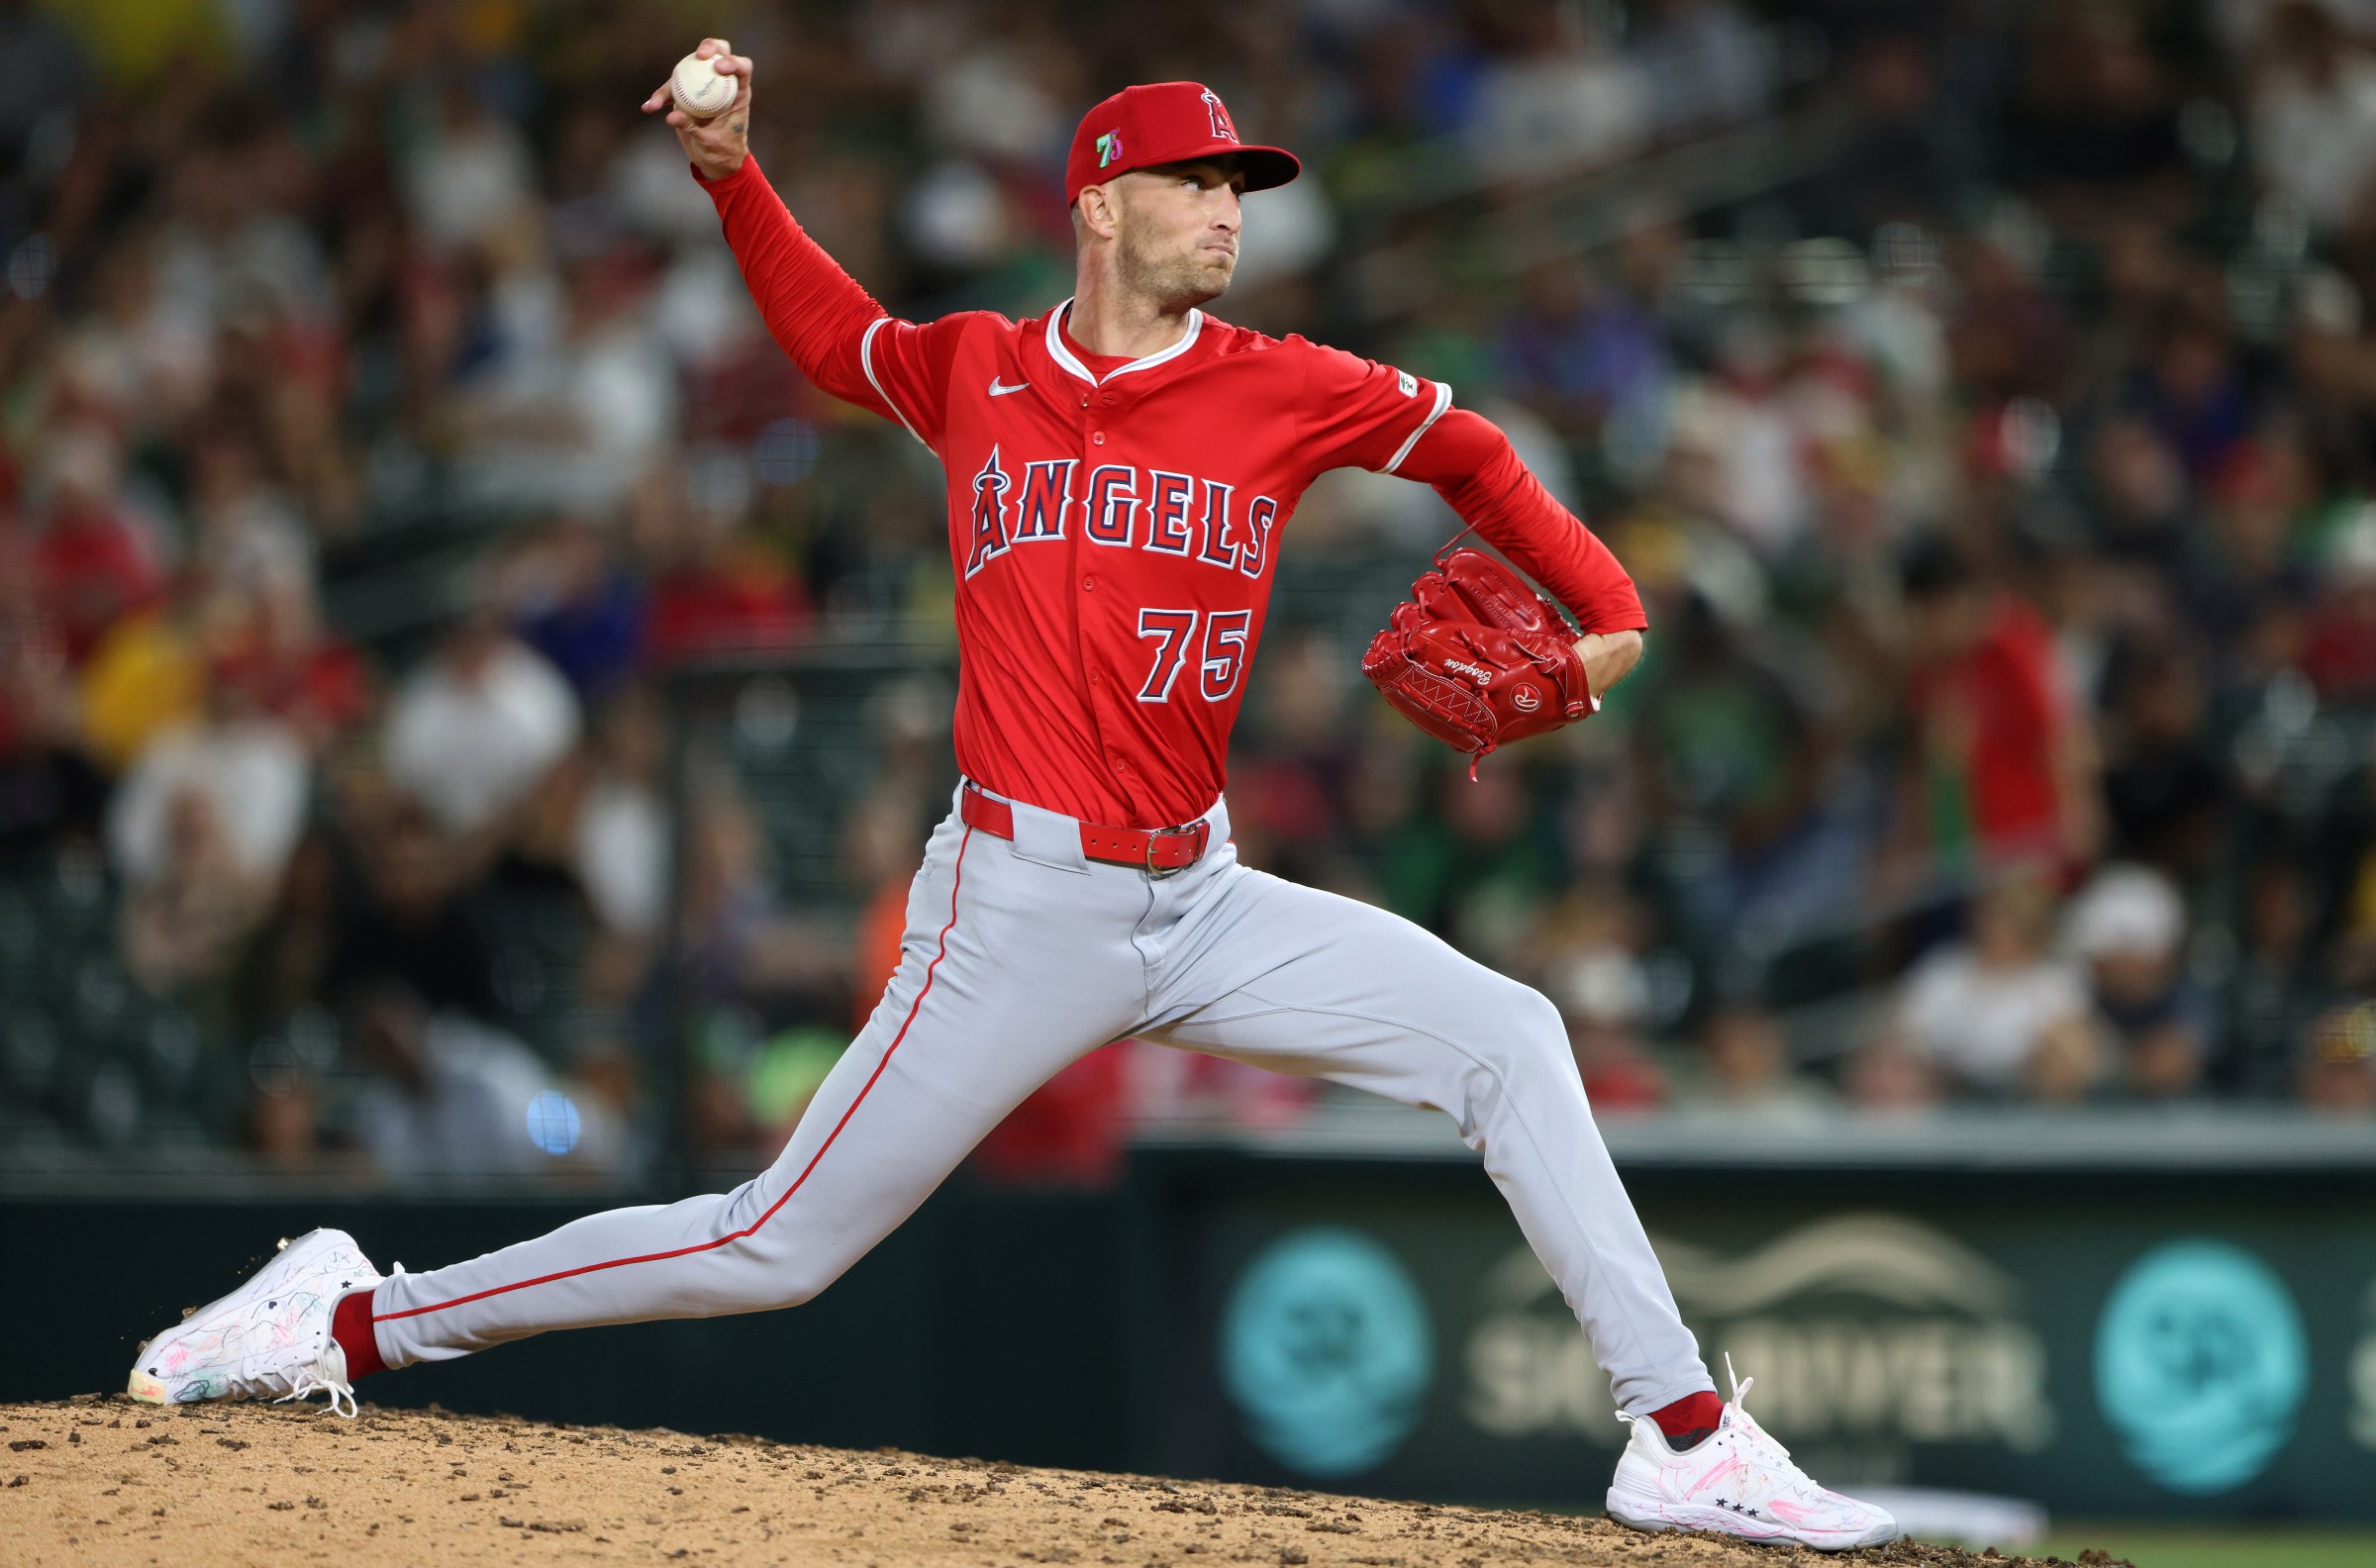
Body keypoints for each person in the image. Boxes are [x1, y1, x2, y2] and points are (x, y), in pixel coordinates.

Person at [126, 43, 1894, 1552]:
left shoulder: (1285, 388)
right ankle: (352, 1321)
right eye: (1198, 183)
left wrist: (1613, 615)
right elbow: (839, 339)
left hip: (1202, 900)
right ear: (1102, 202)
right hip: (1017, 907)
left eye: (1242, 188)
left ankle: (1683, 1444)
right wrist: (734, 175)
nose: (1230, 212)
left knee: (1510, 1035)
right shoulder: (978, 368)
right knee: (771, 1245)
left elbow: (1478, 454)